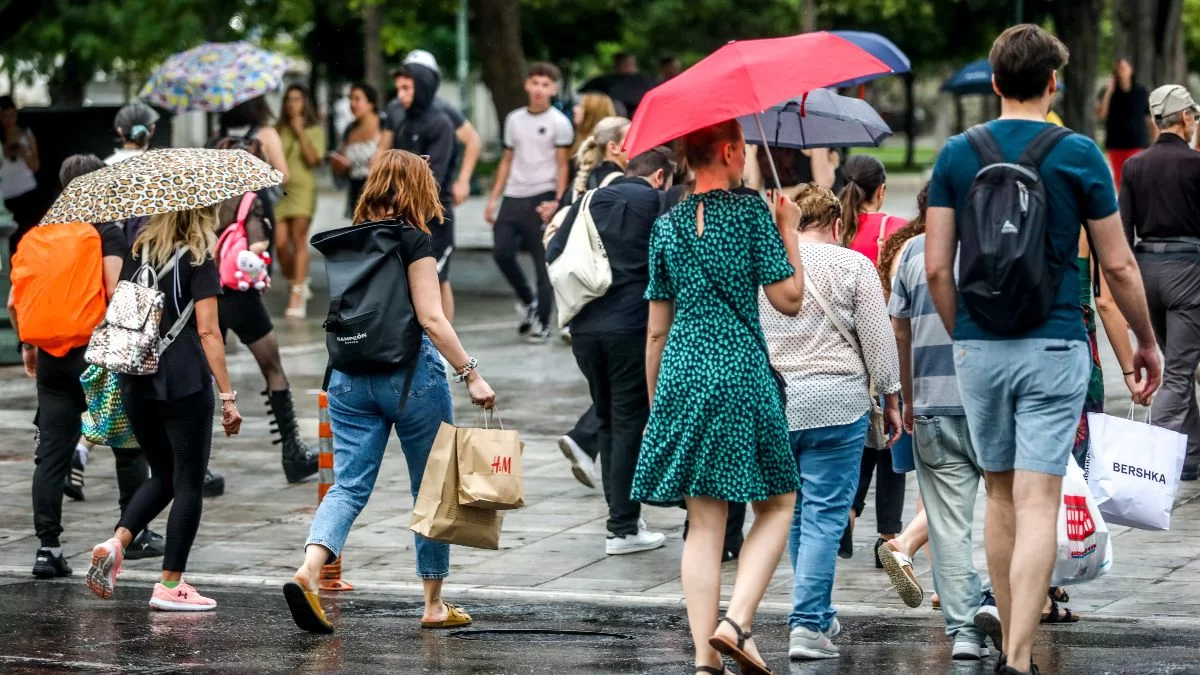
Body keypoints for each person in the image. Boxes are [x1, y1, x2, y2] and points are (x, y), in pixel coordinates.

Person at [925, 25, 1161, 675]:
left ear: (995, 84)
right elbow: (1116, 266)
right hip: (1055, 343)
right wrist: (1144, 340)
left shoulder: (955, 156)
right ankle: (1021, 655)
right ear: (1053, 84)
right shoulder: (1078, 154)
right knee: (1038, 499)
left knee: (998, 497)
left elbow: (939, 268)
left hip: (979, 344)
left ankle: (1008, 643)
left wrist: (964, 332)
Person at [281, 150, 496, 634]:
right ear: (419, 190)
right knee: (432, 488)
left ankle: (309, 570)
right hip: (411, 376)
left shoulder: (346, 242)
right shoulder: (413, 240)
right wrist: (471, 373)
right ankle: (434, 603)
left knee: (349, 485)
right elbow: (432, 318)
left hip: (348, 375)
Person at [632, 119, 806, 675]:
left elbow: (656, 330)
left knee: (704, 524)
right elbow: (791, 300)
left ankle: (707, 658)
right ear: (729, 152)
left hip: (682, 372)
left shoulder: (667, 226)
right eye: (745, 149)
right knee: (778, 503)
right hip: (738, 372)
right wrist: (790, 229)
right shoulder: (754, 213)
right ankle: (736, 623)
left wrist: (659, 403)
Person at [757, 183, 901, 660]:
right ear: (838, 224)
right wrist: (892, 397)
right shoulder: (854, 265)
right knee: (825, 515)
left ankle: (816, 613)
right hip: (837, 405)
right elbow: (880, 345)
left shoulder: (768, 267)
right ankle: (806, 625)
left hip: (777, 402)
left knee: (795, 513)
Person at [10, 154, 165, 579]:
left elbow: (18, 296)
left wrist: (28, 345)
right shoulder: (105, 232)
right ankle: (135, 534)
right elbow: (115, 290)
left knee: (52, 455)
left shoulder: (41, 233)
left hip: (50, 359)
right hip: (95, 355)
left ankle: (48, 548)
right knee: (127, 444)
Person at [84, 204, 243, 611]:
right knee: (189, 482)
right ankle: (170, 585)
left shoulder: (138, 251)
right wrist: (227, 396)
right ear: (202, 214)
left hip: (135, 380)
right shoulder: (198, 258)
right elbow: (208, 331)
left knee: (165, 474)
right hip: (183, 382)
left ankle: (116, 542)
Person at [546, 146, 675, 554]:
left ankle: (623, 521)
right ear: (659, 177)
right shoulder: (656, 203)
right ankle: (622, 527)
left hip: (585, 328)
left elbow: (554, 252)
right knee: (626, 422)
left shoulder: (588, 199)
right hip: (632, 327)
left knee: (606, 421)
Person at [888, 210, 995, 660]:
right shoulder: (995, 246)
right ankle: (1008, 604)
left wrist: (908, 399)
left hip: (932, 404)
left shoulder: (912, 252)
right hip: (992, 403)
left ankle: (965, 632)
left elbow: (899, 330)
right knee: (1013, 510)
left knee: (948, 526)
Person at [1119, 84, 1200, 482]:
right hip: (1188, 273)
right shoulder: (1196, 165)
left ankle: (1191, 456)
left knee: (1180, 363)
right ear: (1185, 118)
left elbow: (1124, 231)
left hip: (1146, 273)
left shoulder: (1134, 166)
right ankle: (1154, 467)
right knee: (1181, 372)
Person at [212, 189, 318, 483]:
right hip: (241, 297)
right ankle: (292, 452)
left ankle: (196, 465)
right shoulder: (250, 199)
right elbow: (259, 244)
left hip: (208, 295)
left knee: (201, 374)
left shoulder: (205, 197)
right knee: (272, 368)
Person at [836, 154, 909, 564]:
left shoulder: (832, 233)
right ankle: (887, 537)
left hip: (846, 355)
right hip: (886, 348)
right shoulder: (893, 230)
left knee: (862, 444)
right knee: (891, 446)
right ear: (881, 190)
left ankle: (846, 514)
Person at [484, 62, 573, 342]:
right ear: (526, 84)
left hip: (542, 195)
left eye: (545, 85)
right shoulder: (514, 119)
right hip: (513, 195)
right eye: (535, 82)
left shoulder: (560, 122)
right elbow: (507, 159)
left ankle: (544, 323)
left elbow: (562, 165)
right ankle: (529, 301)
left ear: (553, 89)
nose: (539, 89)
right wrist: (493, 199)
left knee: (541, 262)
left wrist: (558, 201)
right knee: (502, 251)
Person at [386, 63, 460, 325]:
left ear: (423, 87)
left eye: (407, 88)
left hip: (436, 216)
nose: (401, 95)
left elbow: (434, 178)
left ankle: (445, 350)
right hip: (409, 216)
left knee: (439, 278)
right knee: (413, 279)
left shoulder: (440, 123)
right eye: (398, 89)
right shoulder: (405, 125)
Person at [382, 49, 482, 209]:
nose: (401, 95)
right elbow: (383, 147)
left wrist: (463, 181)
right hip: (400, 199)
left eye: (407, 87)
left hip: (437, 201)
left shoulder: (444, 112)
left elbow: (473, 140)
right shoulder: (395, 109)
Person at [274, 84, 325, 319]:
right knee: (281, 245)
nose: (292, 104)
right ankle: (298, 280)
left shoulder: (315, 129)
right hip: (280, 192)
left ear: (305, 102)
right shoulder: (277, 129)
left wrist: (300, 131)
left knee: (298, 239)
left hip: (303, 190)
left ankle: (296, 294)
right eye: (289, 99)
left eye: (297, 99)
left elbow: (314, 159)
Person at [1096, 57, 1154, 189]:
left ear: (1130, 70)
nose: (1121, 72)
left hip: (1136, 142)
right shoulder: (1108, 92)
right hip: (1115, 144)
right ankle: (1124, 207)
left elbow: (1149, 118)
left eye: (1124, 68)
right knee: (1119, 181)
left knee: (1135, 178)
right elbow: (1101, 114)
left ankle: (1135, 206)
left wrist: (1155, 139)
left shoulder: (1140, 91)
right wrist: (1108, 92)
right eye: (1119, 69)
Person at [329, 83, 381, 219]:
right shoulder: (350, 129)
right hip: (356, 190)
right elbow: (342, 159)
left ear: (371, 103)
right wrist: (338, 164)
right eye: (351, 99)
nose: (352, 104)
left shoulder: (383, 124)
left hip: (379, 191)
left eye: (357, 99)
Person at [1, 95, 41, 251]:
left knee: (28, 236)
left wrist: (24, 152)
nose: (9, 120)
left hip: (27, 191)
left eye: (12, 115)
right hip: (6, 195)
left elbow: (35, 166)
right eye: (4, 116)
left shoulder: (26, 133)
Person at [745, 145, 835, 193]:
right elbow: (825, 182)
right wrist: (832, 166)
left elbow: (754, 184)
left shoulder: (759, 136)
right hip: (806, 213)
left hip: (775, 211)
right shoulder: (809, 136)